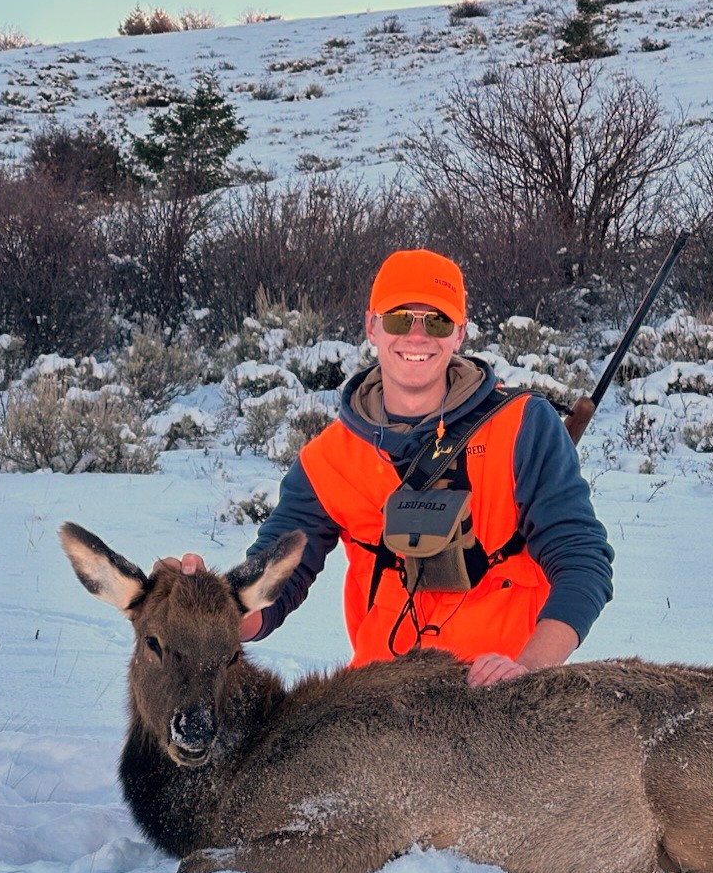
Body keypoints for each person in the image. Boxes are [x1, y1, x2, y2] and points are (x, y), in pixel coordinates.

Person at [171, 248, 612, 687]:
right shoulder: (328, 458)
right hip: (379, 709)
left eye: (437, 321)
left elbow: (582, 561)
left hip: (499, 703)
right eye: (400, 318)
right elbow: (277, 579)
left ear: (459, 333)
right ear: (372, 327)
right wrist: (207, 605)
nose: (417, 337)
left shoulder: (522, 427)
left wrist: (528, 671)